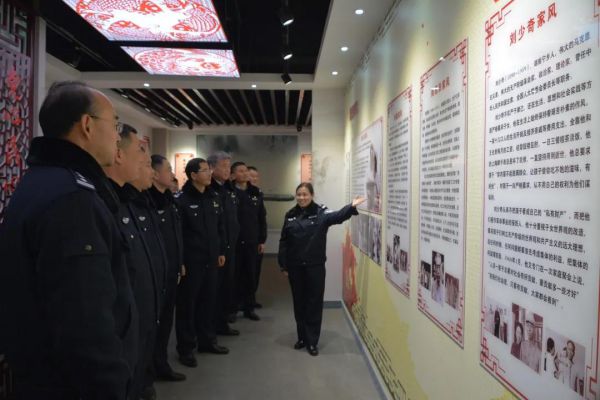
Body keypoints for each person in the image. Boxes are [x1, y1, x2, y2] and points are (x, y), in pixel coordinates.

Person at [0, 81, 137, 399]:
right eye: (114, 124)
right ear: (87, 125)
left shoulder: (40, 181)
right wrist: (111, 386)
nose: (117, 136)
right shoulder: (73, 199)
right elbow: (84, 322)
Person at [103, 124, 160, 400]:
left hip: (140, 307)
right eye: (139, 151)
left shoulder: (126, 199)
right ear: (118, 154)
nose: (144, 160)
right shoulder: (105, 203)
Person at [278, 182, 365, 356]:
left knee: (314, 303)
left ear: (312, 195)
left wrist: (351, 207)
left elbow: (337, 216)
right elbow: (284, 241)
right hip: (295, 267)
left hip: (314, 267)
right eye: (299, 194)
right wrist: (283, 265)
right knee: (299, 303)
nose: (302, 198)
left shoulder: (321, 212)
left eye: (305, 194)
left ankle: (312, 341)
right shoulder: (290, 215)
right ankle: (302, 338)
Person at [176, 158, 228, 368]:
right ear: (193, 175)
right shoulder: (181, 200)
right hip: (192, 263)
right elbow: (178, 235)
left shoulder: (213, 196)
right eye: (205, 170)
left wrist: (221, 250)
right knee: (188, 306)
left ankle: (207, 341)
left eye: (209, 169)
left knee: (209, 302)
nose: (209, 173)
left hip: (211, 260)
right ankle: (186, 348)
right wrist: (180, 261)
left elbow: (220, 227)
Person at [149, 155, 187, 382]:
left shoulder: (170, 200)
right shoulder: (147, 201)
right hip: (155, 272)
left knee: (165, 322)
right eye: (168, 170)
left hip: (172, 269)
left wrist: (180, 261)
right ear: (155, 173)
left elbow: (176, 235)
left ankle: (161, 365)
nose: (172, 175)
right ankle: (147, 372)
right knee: (151, 325)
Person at [208, 152, 241, 334]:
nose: (228, 170)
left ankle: (222, 323)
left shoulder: (228, 189)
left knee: (227, 287)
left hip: (230, 247)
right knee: (215, 289)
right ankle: (211, 327)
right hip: (217, 249)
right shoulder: (209, 189)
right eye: (224, 166)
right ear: (212, 168)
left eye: (229, 166)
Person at [231, 161, 267, 321]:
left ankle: (249, 307)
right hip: (235, 242)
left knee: (251, 275)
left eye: (246, 170)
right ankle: (232, 308)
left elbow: (261, 218)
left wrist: (262, 240)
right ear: (233, 175)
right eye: (240, 171)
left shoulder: (255, 192)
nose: (245, 173)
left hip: (252, 241)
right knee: (234, 276)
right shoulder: (229, 192)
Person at [247, 165, 267, 308]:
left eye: (256, 177)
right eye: (251, 176)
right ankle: (240, 302)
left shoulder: (258, 194)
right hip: (242, 241)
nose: (254, 179)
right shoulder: (236, 193)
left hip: (256, 240)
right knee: (243, 273)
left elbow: (262, 218)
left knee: (255, 271)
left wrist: (262, 240)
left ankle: (251, 300)